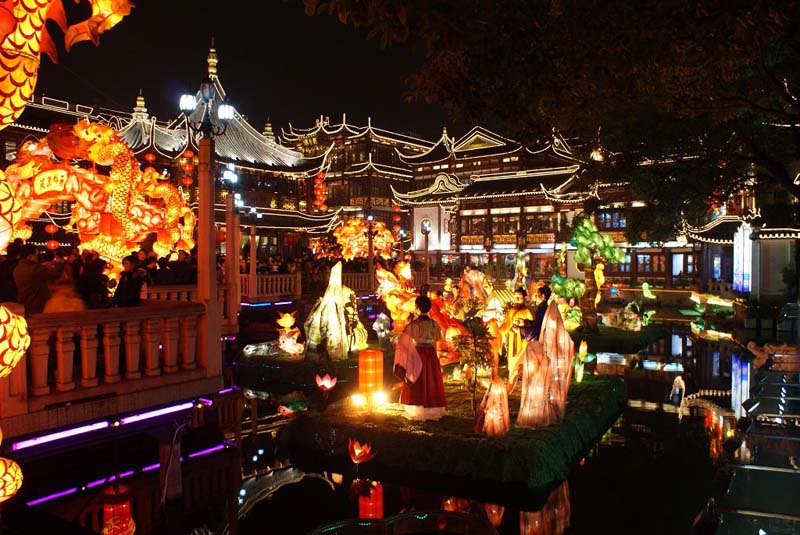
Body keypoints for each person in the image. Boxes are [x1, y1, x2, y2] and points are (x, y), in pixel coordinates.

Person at [393, 295, 447, 420]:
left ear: (417, 307)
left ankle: (416, 406)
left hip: (417, 353)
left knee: (417, 378)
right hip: (431, 354)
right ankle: (432, 405)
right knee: (431, 378)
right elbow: (437, 340)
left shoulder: (414, 324)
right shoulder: (434, 324)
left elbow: (404, 340)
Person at [13, 244, 64, 314]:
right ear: (30, 256)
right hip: (36, 305)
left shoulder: (17, 268)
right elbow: (54, 274)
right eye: (36, 255)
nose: (38, 257)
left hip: (25, 303)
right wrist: (59, 263)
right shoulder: (33, 268)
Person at [500, 287, 534, 389]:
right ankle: (513, 373)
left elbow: (532, 325)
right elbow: (506, 324)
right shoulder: (511, 311)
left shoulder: (527, 311)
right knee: (512, 355)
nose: (517, 299)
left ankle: (522, 374)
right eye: (515, 297)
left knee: (522, 356)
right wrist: (500, 331)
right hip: (512, 337)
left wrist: (521, 328)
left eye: (519, 297)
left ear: (524, 298)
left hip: (522, 338)